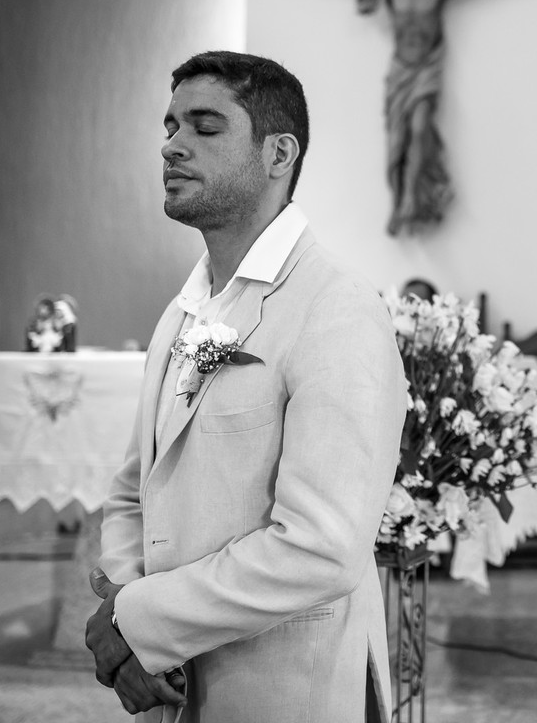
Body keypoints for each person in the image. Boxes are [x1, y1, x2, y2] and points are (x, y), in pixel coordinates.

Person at [85, 51, 406, 722]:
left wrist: (140, 624)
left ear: (278, 153)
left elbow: (319, 547)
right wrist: (137, 626)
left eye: (205, 127)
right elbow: (131, 488)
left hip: (292, 687)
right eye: (170, 126)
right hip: (178, 689)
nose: (172, 146)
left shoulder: (336, 308)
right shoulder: (184, 310)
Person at [293, 0, 537, 236]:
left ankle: (411, 197)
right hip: (400, 72)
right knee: (397, 141)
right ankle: (400, 203)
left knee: (421, 128)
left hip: (426, 71)